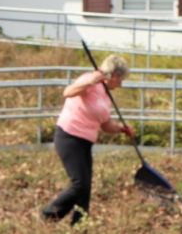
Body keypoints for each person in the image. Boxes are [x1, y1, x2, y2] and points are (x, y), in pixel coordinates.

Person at [41, 55, 135, 225]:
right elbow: (68, 92)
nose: (121, 83)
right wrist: (92, 81)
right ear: (114, 75)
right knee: (79, 185)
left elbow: (105, 125)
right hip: (69, 137)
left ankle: (79, 226)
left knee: (85, 190)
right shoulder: (89, 81)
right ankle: (48, 217)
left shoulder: (106, 96)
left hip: (85, 142)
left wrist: (121, 129)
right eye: (121, 79)